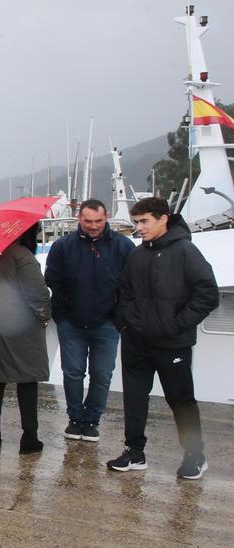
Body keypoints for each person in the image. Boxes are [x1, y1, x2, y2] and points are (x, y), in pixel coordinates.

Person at [108, 197, 218, 480]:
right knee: (134, 398)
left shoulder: (186, 251)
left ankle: (195, 455)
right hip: (136, 341)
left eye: (144, 221)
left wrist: (176, 325)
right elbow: (124, 292)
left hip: (172, 343)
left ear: (163, 218)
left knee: (180, 400)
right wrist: (125, 324)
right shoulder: (137, 254)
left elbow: (207, 294)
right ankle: (135, 452)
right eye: (136, 222)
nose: (139, 228)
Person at [44, 199, 134, 442]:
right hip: (71, 323)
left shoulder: (123, 247)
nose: (93, 226)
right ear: (79, 220)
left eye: (98, 221)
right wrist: (61, 316)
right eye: (88, 221)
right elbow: (52, 280)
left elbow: (131, 285)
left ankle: (92, 420)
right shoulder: (62, 247)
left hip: (107, 323)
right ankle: (75, 419)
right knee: (72, 373)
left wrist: (119, 318)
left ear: (106, 219)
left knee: (102, 374)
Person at [0, 223, 50, 454]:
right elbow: (37, 294)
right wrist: (45, 316)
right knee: (27, 379)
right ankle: (29, 438)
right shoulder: (22, 256)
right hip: (19, 326)